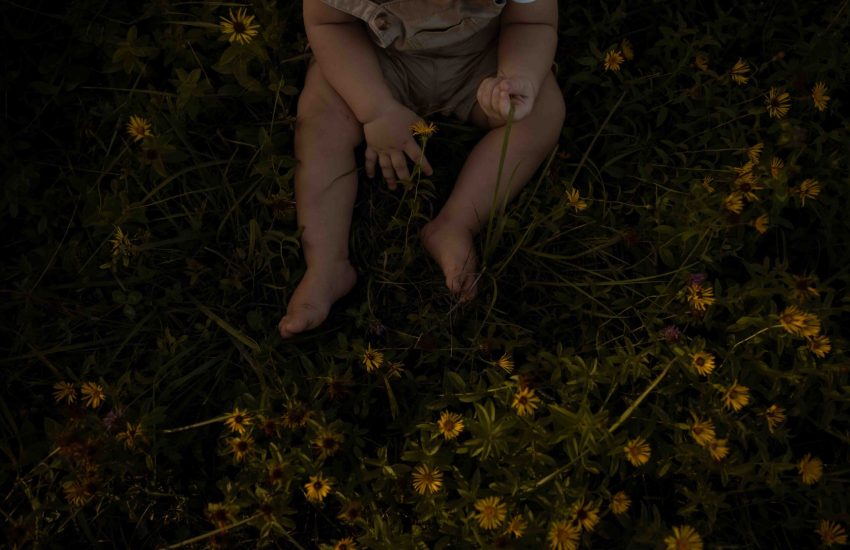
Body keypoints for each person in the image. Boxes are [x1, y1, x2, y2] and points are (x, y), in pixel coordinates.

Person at [278, 0, 565, 338]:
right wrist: (375, 109)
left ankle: (456, 223)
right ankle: (326, 263)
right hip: (376, 63)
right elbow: (330, 25)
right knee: (321, 119)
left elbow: (531, 23)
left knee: (542, 112)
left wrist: (517, 77)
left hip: (480, 60)